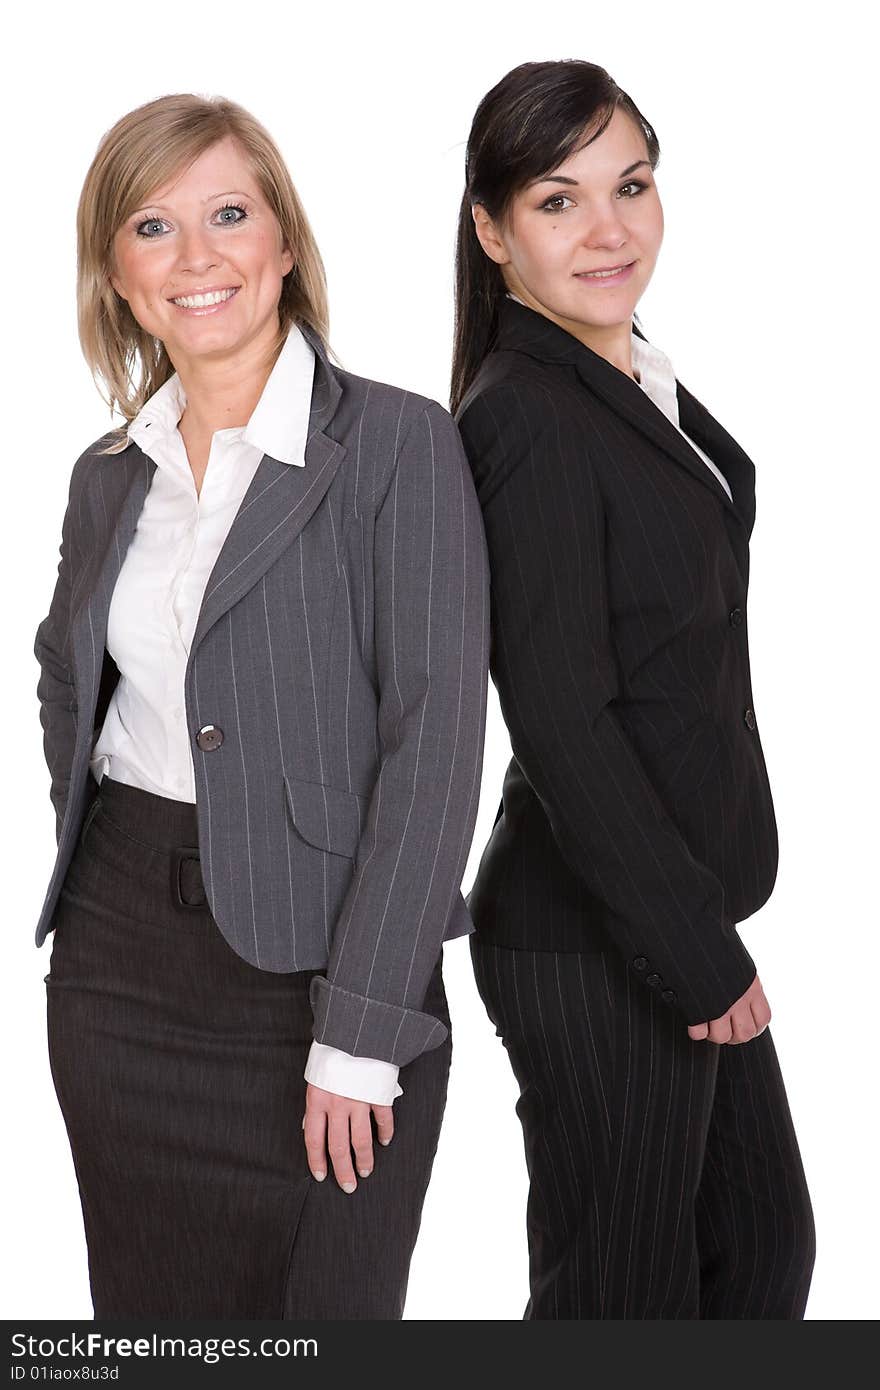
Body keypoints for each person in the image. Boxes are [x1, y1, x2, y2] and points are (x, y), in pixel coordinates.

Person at [34, 92, 489, 1320]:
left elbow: (436, 745)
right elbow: (67, 673)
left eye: (229, 214)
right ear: (118, 276)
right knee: (155, 1330)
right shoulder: (107, 473)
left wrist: (360, 1028)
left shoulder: (396, 445)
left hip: (321, 962)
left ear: (283, 241)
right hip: (121, 972)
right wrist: (97, 856)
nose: (197, 258)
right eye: (152, 227)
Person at [451, 59, 815, 1319]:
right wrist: (696, 955)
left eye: (632, 185)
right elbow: (559, 716)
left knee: (759, 1254)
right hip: (593, 938)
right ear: (493, 231)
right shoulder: (526, 418)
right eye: (558, 201)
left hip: (662, 919)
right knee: (623, 1299)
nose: (609, 229)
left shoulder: (624, 376)